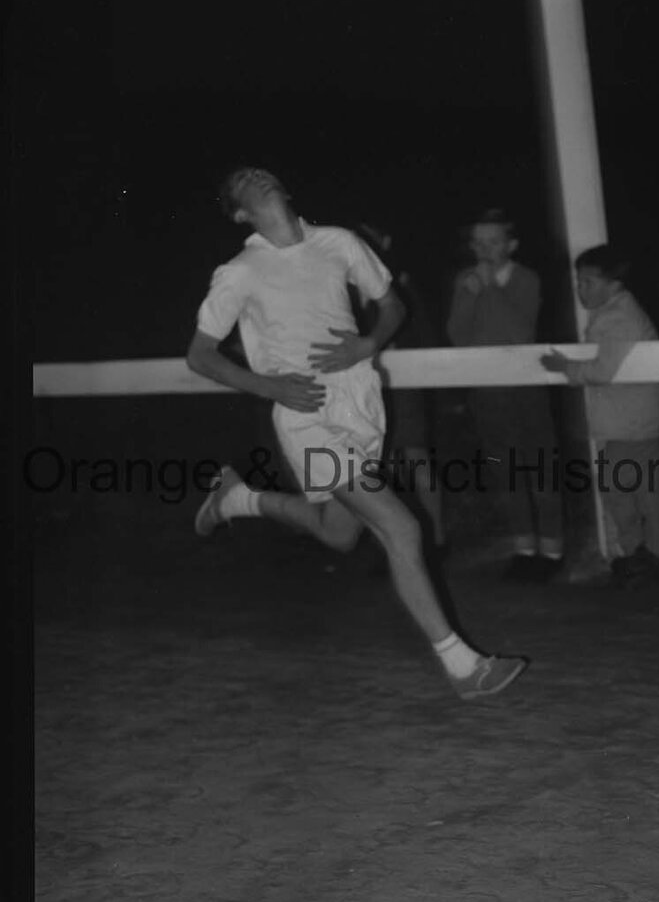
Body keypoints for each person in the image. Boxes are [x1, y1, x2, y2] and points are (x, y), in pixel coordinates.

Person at [185, 167, 527, 699]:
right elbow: (200, 355)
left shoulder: (339, 242)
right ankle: (463, 666)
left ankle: (238, 500)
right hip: (306, 414)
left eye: (264, 172)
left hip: (361, 402)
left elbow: (393, 307)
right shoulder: (240, 271)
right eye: (245, 181)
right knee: (401, 527)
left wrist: (367, 344)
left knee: (338, 532)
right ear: (239, 213)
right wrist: (269, 386)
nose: (259, 177)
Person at [541, 245, 659, 588]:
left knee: (622, 489)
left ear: (614, 284)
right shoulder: (613, 311)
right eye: (578, 281)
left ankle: (645, 554)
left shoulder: (619, 318)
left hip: (632, 423)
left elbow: (602, 370)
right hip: (632, 419)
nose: (580, 288)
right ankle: (651, 556)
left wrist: (565, 367)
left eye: (588, 281)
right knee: (643, 491)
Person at [446, 208, 564, 581]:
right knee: (506, 471)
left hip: (527, 388)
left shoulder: (526, 279)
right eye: (478, 243)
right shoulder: (466, 280)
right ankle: (524, 549)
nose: (484, 250)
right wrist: (469, 295)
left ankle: (553, 549)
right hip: (487, 392)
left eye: (493, 242)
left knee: (540, 467)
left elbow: (519, 331)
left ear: (511, 245)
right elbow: (457, 336)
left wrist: (491, 288)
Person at [355, 222, 446, 557]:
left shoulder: (400, 286)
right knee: (378, 465)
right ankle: (391, 544)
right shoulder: (346, 292)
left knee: (417, 458)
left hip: (403, 387)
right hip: (366, 389)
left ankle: (436, 540)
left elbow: (426, 337)